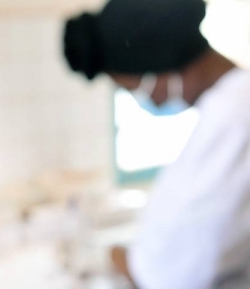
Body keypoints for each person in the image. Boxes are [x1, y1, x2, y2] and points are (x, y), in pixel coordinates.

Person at [64, 0, 250, 288]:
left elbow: (168, 273)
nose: (150, 101)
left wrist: (113, 257)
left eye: (135, 89)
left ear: (161, 66)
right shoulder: (229, 104)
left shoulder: (234, 117)